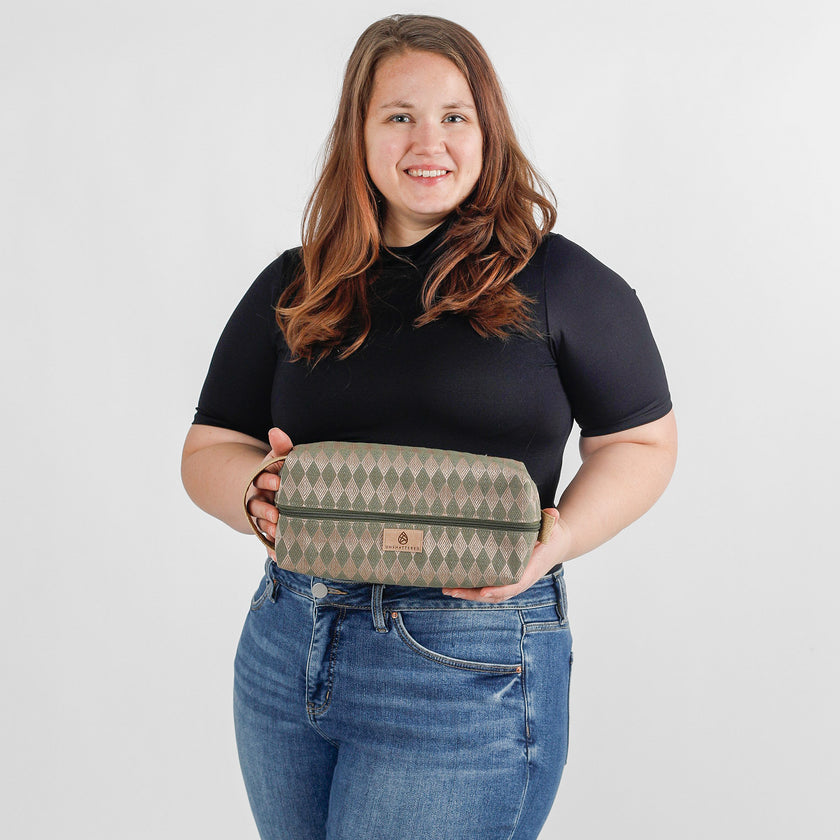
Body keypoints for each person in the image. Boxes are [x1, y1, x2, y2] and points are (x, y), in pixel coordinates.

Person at [181, 13, 677, 840]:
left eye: (454, 116)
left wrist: (557, 540)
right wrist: (250, 492)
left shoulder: (561, 282)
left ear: (488, 131)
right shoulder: (300, 284)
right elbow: (208, 446)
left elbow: (641, 442)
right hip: (286, 642)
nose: (429, 140)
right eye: (398, 116)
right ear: (360, 134)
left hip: (468, 659)